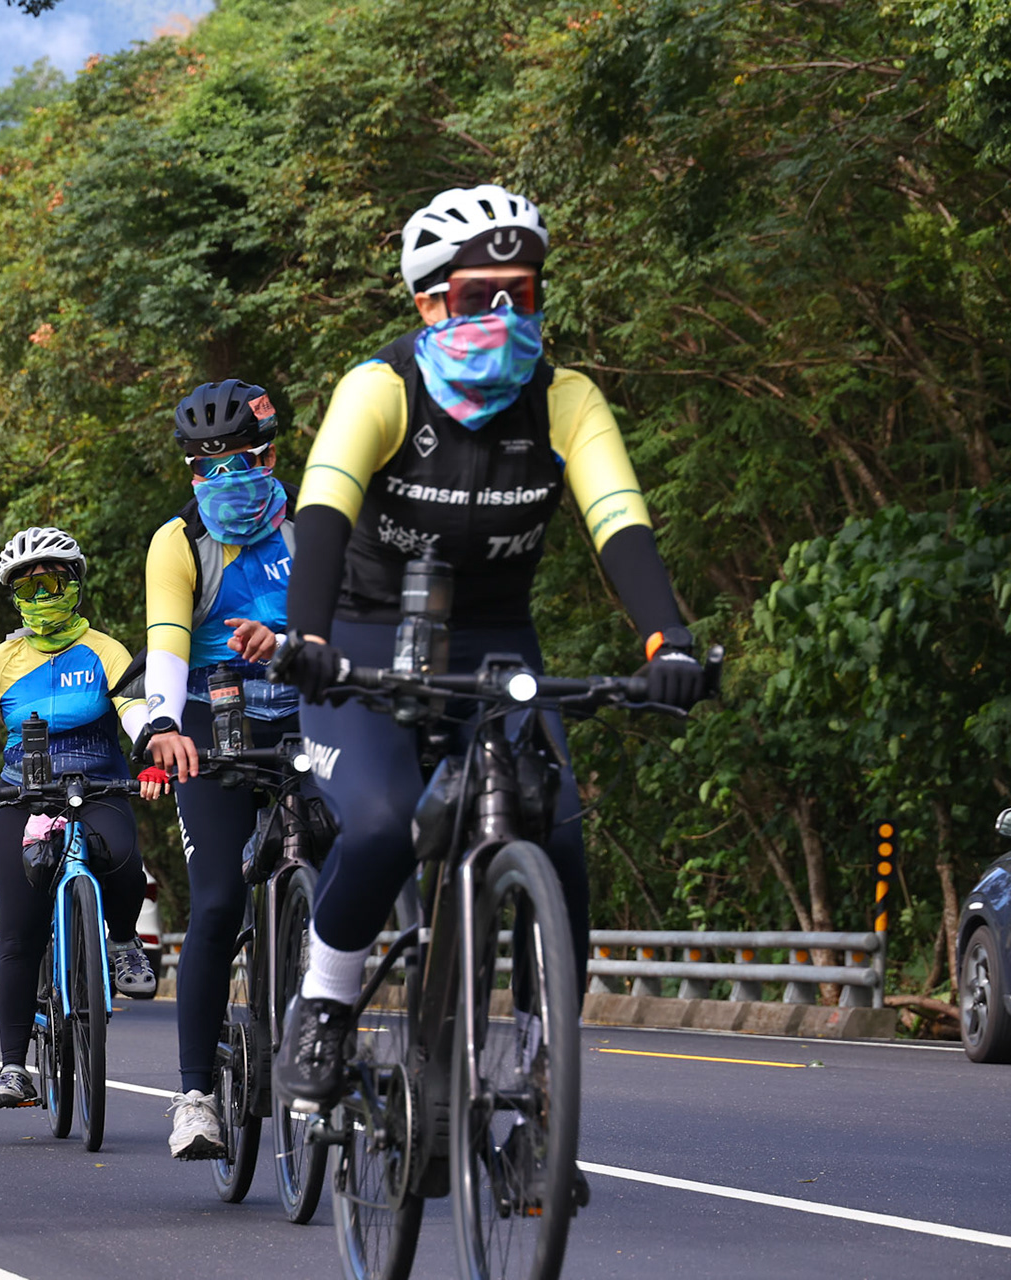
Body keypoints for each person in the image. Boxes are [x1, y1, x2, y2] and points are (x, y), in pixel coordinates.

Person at [272, 184, 707, 1116]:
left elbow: (620, 525)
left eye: (525, 294)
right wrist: (306, 637)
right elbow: (320, 514)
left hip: (498, 643)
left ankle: (549, 1062)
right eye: (479, 298)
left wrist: (668, 639)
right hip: (358, 638)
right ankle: (328, 1000)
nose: (506, 316)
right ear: (428, 302)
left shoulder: (566, 400)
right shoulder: (379, 389)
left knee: (557, 832)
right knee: (384, 824)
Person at [0, 527, 169, 1111]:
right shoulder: (1, 659)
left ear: (75, 585)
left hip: (99, 784)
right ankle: (14, 1068)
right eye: (30, 585)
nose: (43, 593)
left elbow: (132, 708)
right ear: (15, 596)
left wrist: (149, 746)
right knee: (17, 936)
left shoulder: (105, 649)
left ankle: (121, 943)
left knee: (124, 859)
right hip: (23, 795)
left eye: (54, 581)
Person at [139, 380, 299, 1160]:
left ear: (271, 456)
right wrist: (165, 721)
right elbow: (167, 641)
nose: (222, 482)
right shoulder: (179, 540)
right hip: (214, 715)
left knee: (354, 860)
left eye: (237, 463)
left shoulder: (313, 527)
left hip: (310, 708)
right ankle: (195, 1093)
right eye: (204, 470)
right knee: (217, 901)